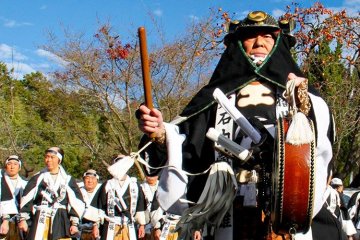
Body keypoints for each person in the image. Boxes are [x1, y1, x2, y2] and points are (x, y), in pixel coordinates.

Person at [137, 10, 335, 240]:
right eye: (251, 36)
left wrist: (305, 105)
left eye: (268, 36)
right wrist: (162, 133)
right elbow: (188, 146)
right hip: (230, 207)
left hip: (286, 206)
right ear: (238, 45)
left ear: (279, 42)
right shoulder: (214, 97)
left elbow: (319, 151)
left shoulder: (299, 93)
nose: (259, 42)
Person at [18, 147, 85, 240]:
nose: (48, 160)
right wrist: (23, 219)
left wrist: (74, 223)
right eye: (47, 157)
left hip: (61, 219)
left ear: (59, 160)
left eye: (52, 157)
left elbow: (76, 202)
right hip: (41, 217)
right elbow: (27, 198)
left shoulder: (67, 180)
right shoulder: (38, 178)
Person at [94, 154, 146, 240]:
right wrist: (96, 224)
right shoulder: (107, 185)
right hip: (111, 225)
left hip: (129, 225)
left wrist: (142, 225)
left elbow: (140, 207)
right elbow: (100, 206)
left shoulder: (135, 185)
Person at [0, 155, 27, 239]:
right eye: (9, 164)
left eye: (15, 164)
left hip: (20, 219)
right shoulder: (1, 180)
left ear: (19, 167)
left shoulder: (25, 183)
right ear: (5, 166)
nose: (12, 167)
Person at [79, 169, 102, 240]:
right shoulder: (78, 192)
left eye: (92, 178)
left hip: (97, 228)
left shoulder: (102, 192)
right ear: (83, 180)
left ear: (97, 180)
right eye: (87, 178)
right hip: (80, 227)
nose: (90, 181)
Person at [139, 175, 159, 240]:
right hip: (144, 222)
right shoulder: (140, 187)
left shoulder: (163, 187)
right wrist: (141, 224)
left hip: (159, 223)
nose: (151, 177)